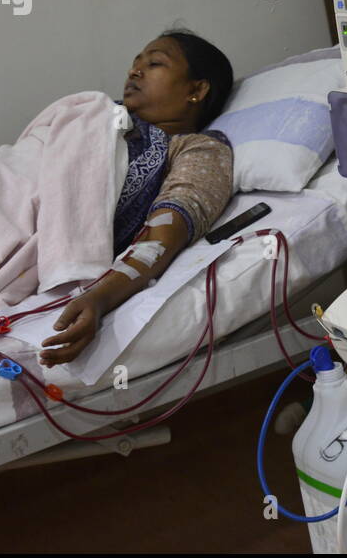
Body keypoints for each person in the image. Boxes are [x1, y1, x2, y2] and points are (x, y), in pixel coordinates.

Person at [40, 27, 234, 366]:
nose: (135, 71)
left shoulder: (197, 148)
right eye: (135, 63)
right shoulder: (94, 117)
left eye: (156, 63)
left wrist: (100, 298)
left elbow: (166, 231)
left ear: (197, 89)